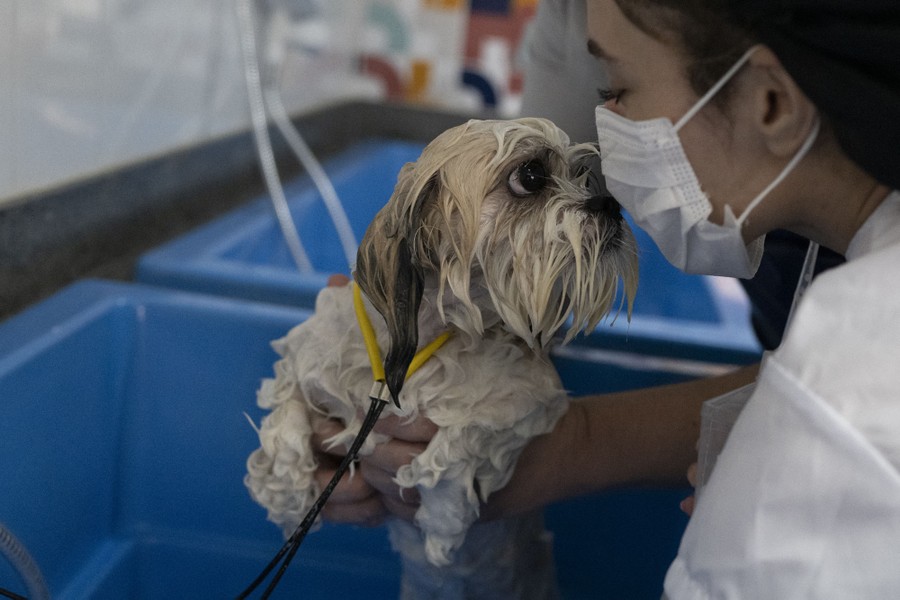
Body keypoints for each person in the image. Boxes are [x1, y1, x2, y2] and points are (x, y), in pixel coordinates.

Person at [315, 0, 900, 595]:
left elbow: (840, 395)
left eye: (617, 89)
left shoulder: (847, 388)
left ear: (769, 102)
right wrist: (373, 347)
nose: (607, 135)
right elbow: (510, 263)